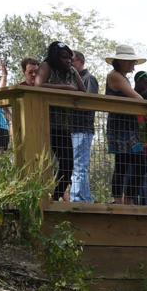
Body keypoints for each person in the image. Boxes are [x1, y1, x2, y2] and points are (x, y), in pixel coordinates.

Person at [34, 42, 84, 202]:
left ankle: (55, 197)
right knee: (40, 162)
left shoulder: (71, 70)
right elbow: (38, 85)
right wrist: (65, 88)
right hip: (43, 122)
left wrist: (72, 83)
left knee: (68, 163)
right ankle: (38, 197)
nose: (68, 60)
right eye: (64, 57)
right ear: (56, 57)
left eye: (70, 57)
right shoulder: (46, 66)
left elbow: (82, 91)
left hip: (63, 125)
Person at [103, 45, 146, 205]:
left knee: (136, 163)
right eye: (129, 61)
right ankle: (119, 199)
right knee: (123, 162)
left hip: (128, 124)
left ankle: (127, 198)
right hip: (120, 125)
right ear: (120, 61)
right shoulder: (114, 76)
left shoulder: (122, 76)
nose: (133, 65)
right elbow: (136, 98)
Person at [69, 51, 99, 203]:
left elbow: (89, 103)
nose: (70, 63)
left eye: (72, 60)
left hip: (83, 128)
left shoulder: (89, 79)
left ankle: (77, 199)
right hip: (72, 129)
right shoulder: (71, 80)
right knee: (76, 166)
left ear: (80, 62)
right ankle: (85, 199)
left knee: (80, 166)